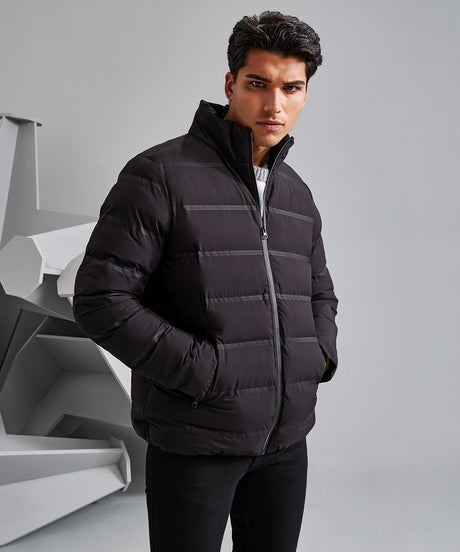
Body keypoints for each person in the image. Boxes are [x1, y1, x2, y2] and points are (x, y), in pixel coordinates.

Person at [73, 10, 339, 552]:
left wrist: (317, 358)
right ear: (229, 84)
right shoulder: (159, 175)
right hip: (196, 439)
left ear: (306, 93)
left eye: (291, 88)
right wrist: (206, 372)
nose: (274, 105)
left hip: (286, 441)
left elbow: (319, 292)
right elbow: (101, 299)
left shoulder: (296, 194)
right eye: (258, 84)